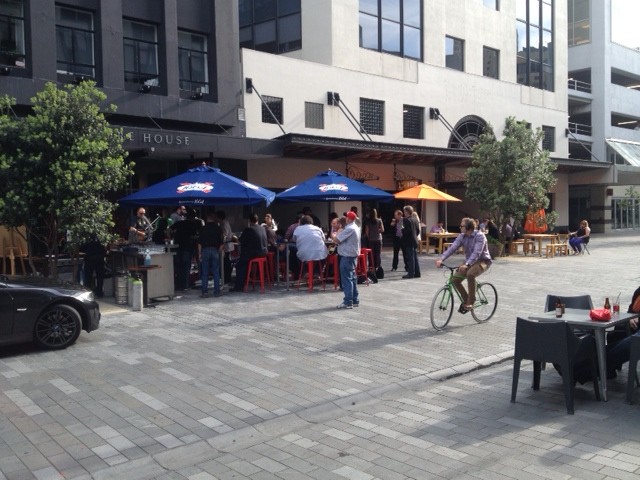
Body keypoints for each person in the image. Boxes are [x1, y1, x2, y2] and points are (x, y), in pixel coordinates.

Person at [435, 217, 492, 313]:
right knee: (454, 280)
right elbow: (452, 248)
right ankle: (466, 300)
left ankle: (471, 302)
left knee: (470, 274)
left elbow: (477, 253)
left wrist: (466, 264)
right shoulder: (462, 236)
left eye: (462, 226)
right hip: (469, 261)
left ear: (468, 227)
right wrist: (441, 259)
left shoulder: (480, 236)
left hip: (483, 261)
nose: (460, 227)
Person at [231, 213, 268, 292]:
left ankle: (239, 286)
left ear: (249, 221)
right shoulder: (263, 228)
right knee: (244, 261)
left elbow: (240, 241)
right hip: (264, 253)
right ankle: (247, 281)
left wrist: (234, 237)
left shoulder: (249, 229)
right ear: (257, 220)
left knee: (239, 265)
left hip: (253, 253)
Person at [332, 211, 361, 309]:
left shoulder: (349, 228)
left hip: (347, 256)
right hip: (352, 255)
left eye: (346, 217)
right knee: (352, 278)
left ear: (349, 219)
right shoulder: (355, 227)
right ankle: (354, 299)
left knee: (347, 279)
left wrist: (334, 234)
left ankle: (348, 301)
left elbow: (337, 240)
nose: (345, 218)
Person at [171, 209, 200, 291]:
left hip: (177, 247)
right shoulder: (193, 225)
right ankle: (185, 285)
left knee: (177, 267)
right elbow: (193, 236)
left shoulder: (179, 222)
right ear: (193, 217)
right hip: (187, 247)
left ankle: (177, 284)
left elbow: (169, 229)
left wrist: (171, 237)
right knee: (186, 267)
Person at [198, 212, 224, 298]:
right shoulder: (218, 228)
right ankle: (217, 291)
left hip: (205, 250)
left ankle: (204, 292)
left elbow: (199, 243)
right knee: (216, 272)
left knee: (205, 272)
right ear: (214, 219)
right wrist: (219, 251)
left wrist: (199, 253)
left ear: (207, 219)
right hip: (215, 250)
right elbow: (222, 242)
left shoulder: (203, 229)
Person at [401, 205, 421, 279]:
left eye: (404, 211)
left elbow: (407, 231)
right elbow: (418, 230)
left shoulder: (406, 220)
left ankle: (411, 273)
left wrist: (402, 230)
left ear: (407, 212)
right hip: (414, 240)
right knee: (415, 257)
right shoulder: (415, 219)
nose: (404, 213)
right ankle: (417, 272)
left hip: (409, 240)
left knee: (410, 258)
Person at [216, 210, 234, 284]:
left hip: (226, 246)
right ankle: (226, 278)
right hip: (226, 245)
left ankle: (227, 278)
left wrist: (221, 243)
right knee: (226, 262)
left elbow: (224, 235)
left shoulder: (224, 223)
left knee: (226, 263)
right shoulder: (223, 223)